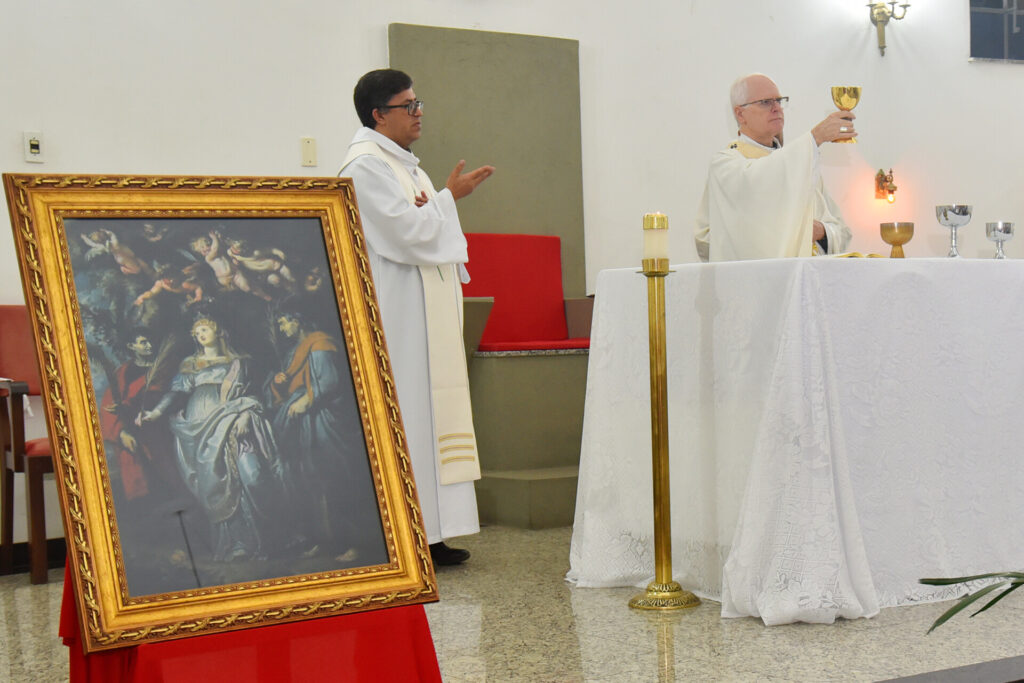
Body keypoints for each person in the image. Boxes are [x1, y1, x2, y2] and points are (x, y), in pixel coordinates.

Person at [338, 68, 494, 565]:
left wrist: (441, 202)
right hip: (399, 318)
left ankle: (434, 533)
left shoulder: (408, 166)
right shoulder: (364, 167)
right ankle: (405, 536)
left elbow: (428, 225)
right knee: (410, 416)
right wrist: (448, 201)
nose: (418, 112)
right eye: (409, 105)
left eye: (417, 102)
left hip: (428, 318)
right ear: (379, 114)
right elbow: (406, 233)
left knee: (432, 417)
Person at [138, 316, 285, 563]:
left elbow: (254, 393)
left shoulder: (240, 363)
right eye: (197, 332)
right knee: (215, 483)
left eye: (205, 329)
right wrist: (156, 412)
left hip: (232, 420)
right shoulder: (190, 364)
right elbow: (175, 392)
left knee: (252, 474)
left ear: (219, 331)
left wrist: (246, 414)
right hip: (199, 430)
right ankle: (236, 544)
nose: (200, 334)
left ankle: (266, 539)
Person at [267, 310, 386, 566]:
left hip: (324, 420)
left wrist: (306, 400)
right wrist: (278, 382)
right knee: (311, 479)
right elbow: (291, 382)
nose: (282, 327)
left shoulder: (320, 343)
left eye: (284, 320)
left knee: (335, 476)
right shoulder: (297, 349)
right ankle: (324, 540)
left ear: (298, 319)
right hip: (306, 423)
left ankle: (355, 543)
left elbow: (329, 381)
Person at [695, 73, 854, 262]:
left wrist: (822, 231)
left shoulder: (801, 167)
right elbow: (755, 183)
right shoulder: (726, 165)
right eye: (765, 102)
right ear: (740, 114)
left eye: (779, 101)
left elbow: (841, 231)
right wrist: (815, 137)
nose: (777, 108)